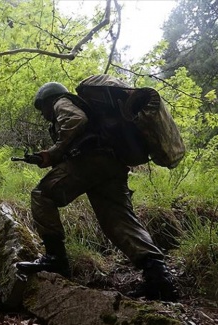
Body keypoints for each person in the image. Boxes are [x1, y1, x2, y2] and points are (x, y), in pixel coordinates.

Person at [15, 77, 178, 302]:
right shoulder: (85, 109)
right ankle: (159, 278)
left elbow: (76, 120)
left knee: (42, 195)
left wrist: (55, 150)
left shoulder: (61, 102)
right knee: (120, 222)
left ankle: (55, 259)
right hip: (112, 165)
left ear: (48, 99)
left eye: (42, 107)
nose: (43, 113)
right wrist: (50, 156)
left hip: (90, 162)